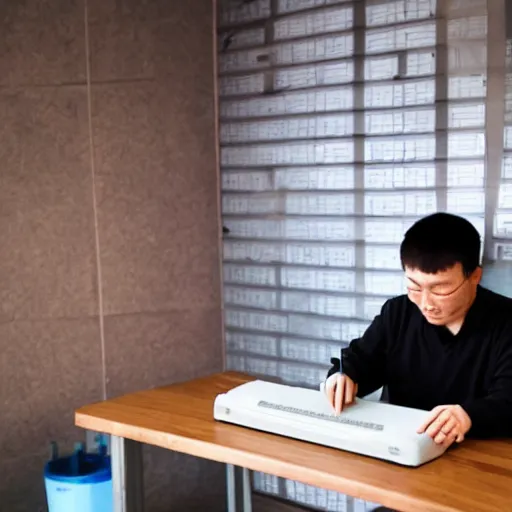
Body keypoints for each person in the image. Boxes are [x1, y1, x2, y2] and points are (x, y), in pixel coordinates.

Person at [324, 212, 512, 448]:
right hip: (403, 447)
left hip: (479, 455)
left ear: (475, 276)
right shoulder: (398, 313)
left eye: (440, 289)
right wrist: (343, 376)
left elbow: (508, 401)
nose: (426, 303)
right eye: (414, 287)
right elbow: (360, 361)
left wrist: (469, 416)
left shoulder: (506, 322)